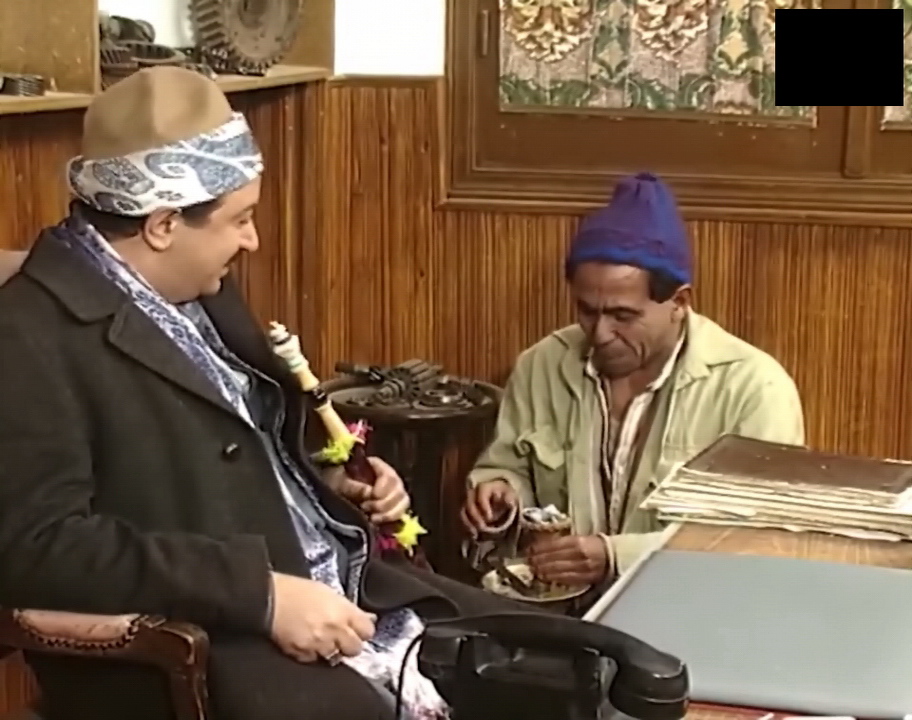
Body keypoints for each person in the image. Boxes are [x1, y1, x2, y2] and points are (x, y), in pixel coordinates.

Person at [0, 67, 525, 720]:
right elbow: (36, 548)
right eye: (241, 219)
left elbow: (238, 448)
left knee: (574, 661)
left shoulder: (200, 287)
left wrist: (328, 480)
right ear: (163, 224)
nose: (251, 240)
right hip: (202, 646)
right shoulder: (26, 335)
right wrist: (262, 596)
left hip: (335, 580)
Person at [461, 173, 805, 587]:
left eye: (623, 315)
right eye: (587, 311)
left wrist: (616, 558)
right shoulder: (542, 364)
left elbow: (762, 540)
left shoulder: (753, 389)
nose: (600, 334)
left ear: (679, 302)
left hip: (684, 611)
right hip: (555, 609)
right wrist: (502, 492)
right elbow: (508, 465)